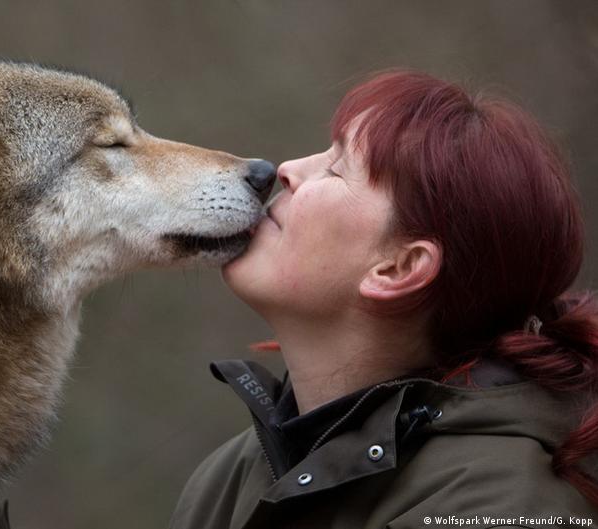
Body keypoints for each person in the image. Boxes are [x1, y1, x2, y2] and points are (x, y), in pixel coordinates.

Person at [169, 70, 598, 529]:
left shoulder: (497, 511)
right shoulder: (225, 479)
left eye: (336, 168)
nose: (285, 170)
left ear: (399, 268)